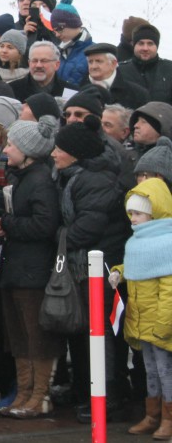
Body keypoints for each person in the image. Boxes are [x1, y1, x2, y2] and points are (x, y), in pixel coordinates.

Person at [51, 116, 133, 422]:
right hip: (87, 267)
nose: (53, 154)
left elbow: (87, 228)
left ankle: (109, 396)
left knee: (101, 335)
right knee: (91, 334)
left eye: (59, 148)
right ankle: (95, 392)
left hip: (101, 267)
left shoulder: (94, 180)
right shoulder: (79, 176)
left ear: (76, 153)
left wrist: (55, 238)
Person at [0, 116, 64, 418]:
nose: (6, 150)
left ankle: (39, 396)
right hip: (17, 269)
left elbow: (45, 225)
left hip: (32, 272)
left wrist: (8, 224)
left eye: (11, 144)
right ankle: (24, 394)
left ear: (28, 149)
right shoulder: (24, 177)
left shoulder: (40, 180)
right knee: (19, 337)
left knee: (36, 337)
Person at [109, 178, 172, 438]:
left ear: (154, 212)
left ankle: (167, 417)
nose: (132, 218)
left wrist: (164, 324)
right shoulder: (137, 242)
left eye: (138, 213)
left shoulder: (166, 243)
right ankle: (153, 414)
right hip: (141, 318)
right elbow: (138, 269)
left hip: (158, 323)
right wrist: (119, 272)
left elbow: (169, 290)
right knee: (150, 370)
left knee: (165, 371)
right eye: (131, 213)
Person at [84, 43, 148, 110]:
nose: (93, 66)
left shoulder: (137, 94)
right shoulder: (78, 90)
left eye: (98, 61)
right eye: (90, 62)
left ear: (113, 64)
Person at [119, 24, 172, 105]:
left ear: (157, 46)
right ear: (133, 45)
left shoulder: (169, 69)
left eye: (150, 44)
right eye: (141, 43)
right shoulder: (120, 70)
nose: (145, 48)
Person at [10, 41, 76, 102]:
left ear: (57, 65)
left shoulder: (71, 92)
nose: (38, 65)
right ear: (29, 63)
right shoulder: (12, 89)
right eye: (34, 61)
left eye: (44, 61)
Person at [50, 0, 93, 87]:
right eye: (54, 31)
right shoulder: (56, 52)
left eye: (59, 29)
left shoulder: (93, 52)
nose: (57, 35)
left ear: (73, 24)